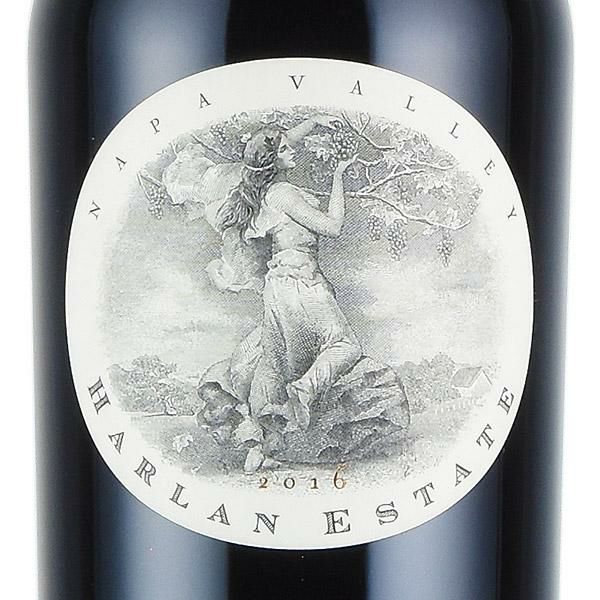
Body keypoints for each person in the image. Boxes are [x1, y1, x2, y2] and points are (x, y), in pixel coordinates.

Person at [217, 125, 363, 432]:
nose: (293, 149)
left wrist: (314, 120)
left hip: (277, 288)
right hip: (300, 283)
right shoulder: (284, 194)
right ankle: (304, 389)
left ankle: (259, 433)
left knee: (274, 364)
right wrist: (339, 175)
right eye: (284, 149)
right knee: (345, 346)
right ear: (271, 161)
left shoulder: (265, 194)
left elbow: (278, 142)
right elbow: (333, 227)